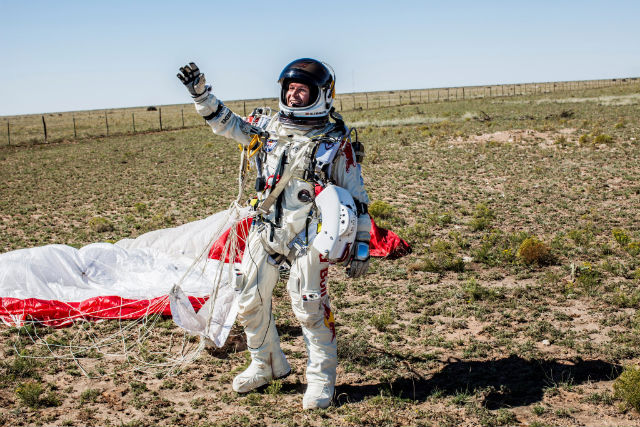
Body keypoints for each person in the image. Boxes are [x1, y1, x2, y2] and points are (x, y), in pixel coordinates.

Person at [177, 58, 371, 409]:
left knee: (309, 307)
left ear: (321, 95)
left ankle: (320, 379)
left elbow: (356, 195)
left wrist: (361, 243)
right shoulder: (265, 129)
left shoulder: (333, 142)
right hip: (266, 226)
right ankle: (265, 363)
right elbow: (225, 123)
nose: (295, 96)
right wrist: (201, 95)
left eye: (303, 90)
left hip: (309, 235)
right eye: (290, 89)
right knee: (248, 298)